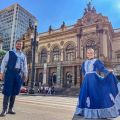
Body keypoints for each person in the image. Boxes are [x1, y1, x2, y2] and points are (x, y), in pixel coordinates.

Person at [73, 48, 120, 119]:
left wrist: (108, 72)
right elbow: (83, 72)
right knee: (84, 95)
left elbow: (102, 69)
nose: (89, 54)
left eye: (91, 53)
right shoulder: (84, 63)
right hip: (86, 81)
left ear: (94, 54)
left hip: (94, 80)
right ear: (86, 54)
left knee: (94, 95)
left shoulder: (96, 61)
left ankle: (97, 112)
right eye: (88, 53)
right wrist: (86, 78)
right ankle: (83, 111)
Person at [0, 40, 28, 117]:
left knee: (15, 91)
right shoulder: (10, 52)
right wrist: (1, 72)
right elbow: (3, 62)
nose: (19, 45)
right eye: (18, 44)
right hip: (10, 73)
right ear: (15, 45)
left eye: (20, 44)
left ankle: (10, 108)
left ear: (22, 46)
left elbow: (25, 66)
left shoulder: (23, 55)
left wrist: (26, 75)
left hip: (19, 74)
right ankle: (4, 109)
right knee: (7, 90)